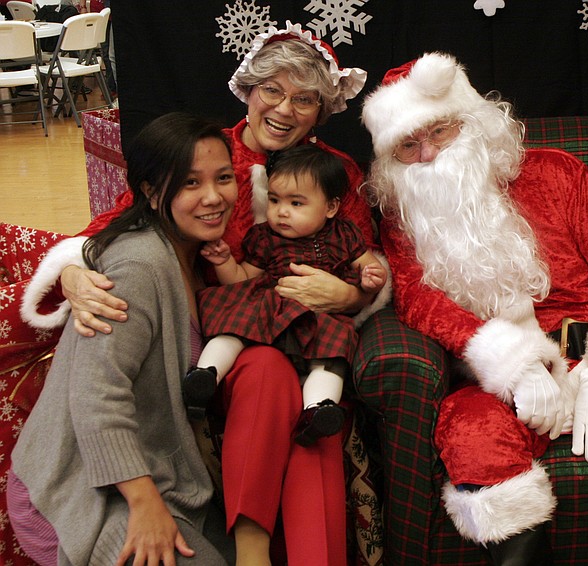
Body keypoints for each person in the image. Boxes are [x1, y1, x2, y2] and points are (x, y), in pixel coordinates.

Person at [20, 22, 388, 566]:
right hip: (216, 334)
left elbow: (367, 262)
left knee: (304, 405)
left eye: (304, 99)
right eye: (272, 91)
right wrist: (75, 270)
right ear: (249, 90)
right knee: (263, 370)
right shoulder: (205, 156)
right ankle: (252, 549)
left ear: (322, 109)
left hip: (301, 338)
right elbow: (117, 229)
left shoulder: (335, 172)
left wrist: (350, 296)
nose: (285, 109)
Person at [361, 52, 588, 565]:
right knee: (474, 439)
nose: (427, 154)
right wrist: (516, 368)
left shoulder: (557, 174)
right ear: (391, 159)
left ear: (472, 122)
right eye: (407, 144)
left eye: (440, 131)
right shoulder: (403, 218)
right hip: (494, 382)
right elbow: (423, 305)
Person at [9, 112, 235, 566]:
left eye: (224, 177)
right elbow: (97, 394)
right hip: (79, 486)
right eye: (190, 183)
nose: (213, 197)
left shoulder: (201, 256)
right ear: (151, 192)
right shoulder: (140, 266)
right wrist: (144, 502)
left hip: (152, 471)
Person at [185, 144, 387, 446]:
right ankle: (204, 376)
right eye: (275, 200)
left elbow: (370, 266)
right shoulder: (265, 236)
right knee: (236, 325)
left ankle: (318, 411)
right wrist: (224, 262)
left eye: (296, 203)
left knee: (332, 356)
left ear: (330, 208)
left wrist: (372, 278)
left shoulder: (344, 234)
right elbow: (241, 279)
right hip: (271, 307)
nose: (281, 212)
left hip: (318, 318)